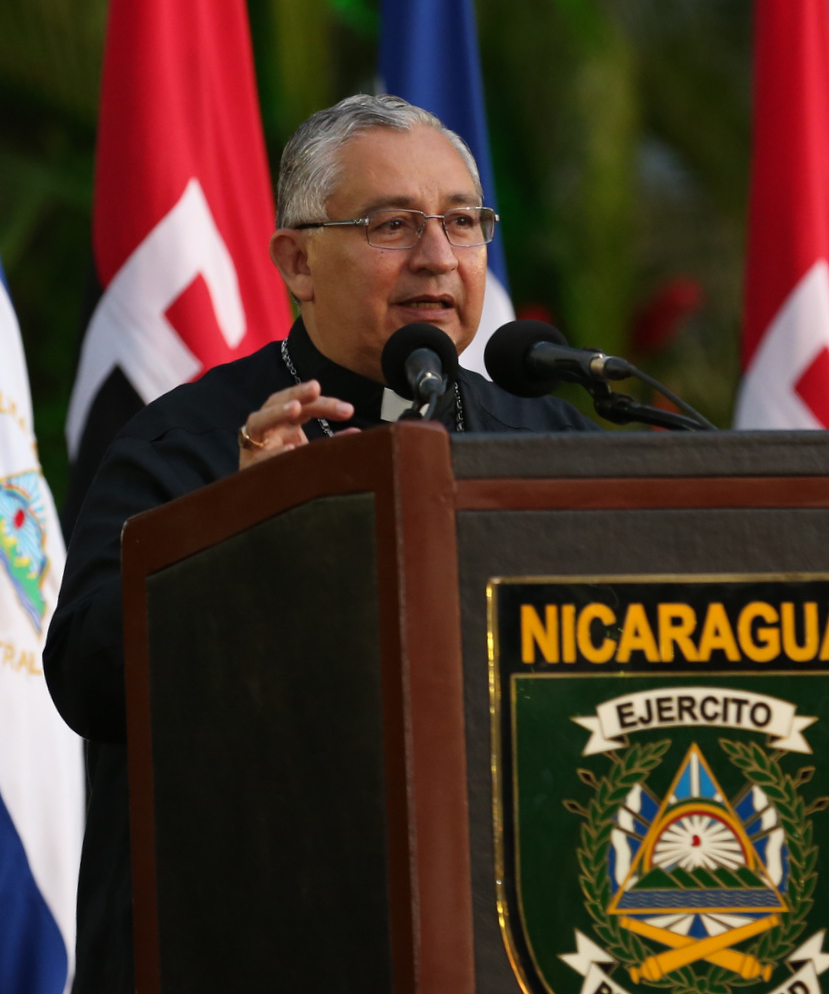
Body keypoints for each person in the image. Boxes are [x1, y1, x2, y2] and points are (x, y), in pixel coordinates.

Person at [43, 94, 598, 994]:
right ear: (297, 261)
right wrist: (243, 532)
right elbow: (88, 677)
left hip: (501, 936)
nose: (437, 256)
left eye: (462, 222)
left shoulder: (553, 442)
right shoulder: (182, 445)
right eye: (392, 225)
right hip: (248, 941)